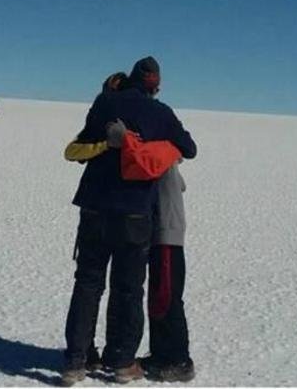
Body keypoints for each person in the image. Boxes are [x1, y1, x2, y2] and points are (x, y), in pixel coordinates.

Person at [61, 56, 196, 386]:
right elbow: (189, 148)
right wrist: (156, 146)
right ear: (155, 85)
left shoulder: (105, 101)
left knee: (88, 282)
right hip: (135, 212)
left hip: (94, 206)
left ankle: (77, 362)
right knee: (128, 288)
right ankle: (122, 362)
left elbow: (78, 146)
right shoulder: (161, 113)